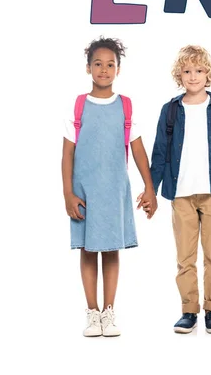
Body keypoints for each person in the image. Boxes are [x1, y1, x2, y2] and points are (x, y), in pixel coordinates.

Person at [62, 36, 157, 337]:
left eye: (110, 64)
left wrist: (150, 187)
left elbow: (138, 150)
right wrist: (68, 193)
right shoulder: (78, 106)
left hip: (115, 189)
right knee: (89, 250)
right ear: (88, 67)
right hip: (84, 192)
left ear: (118, 68)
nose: (104, 69)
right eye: (98, 64)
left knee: (112, 250)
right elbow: (67, 154)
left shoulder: (125, 107)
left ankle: (109, 311)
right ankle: (92, 311)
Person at [150, 45, 211, 334]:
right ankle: (189, 310)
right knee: (185, 257)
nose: (193, 76)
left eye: (199, 70)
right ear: (179, 75)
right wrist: (150, 190)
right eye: (187, 71)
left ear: (208, 74)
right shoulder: (170, 110)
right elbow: (159, 153)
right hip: (180, 194)